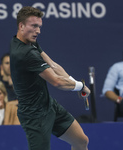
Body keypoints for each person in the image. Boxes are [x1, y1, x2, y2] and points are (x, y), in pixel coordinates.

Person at [10, 6, 90, 150]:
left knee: (81, 141)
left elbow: (52, 65)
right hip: (34, 115)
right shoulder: (24, 53)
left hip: (48, 105)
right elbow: (57, 81)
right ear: (21, 26)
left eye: (39, 27)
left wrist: (74, 83)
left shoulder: (28, 42)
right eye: (34, 26)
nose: (38, 31)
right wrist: (80, 86)